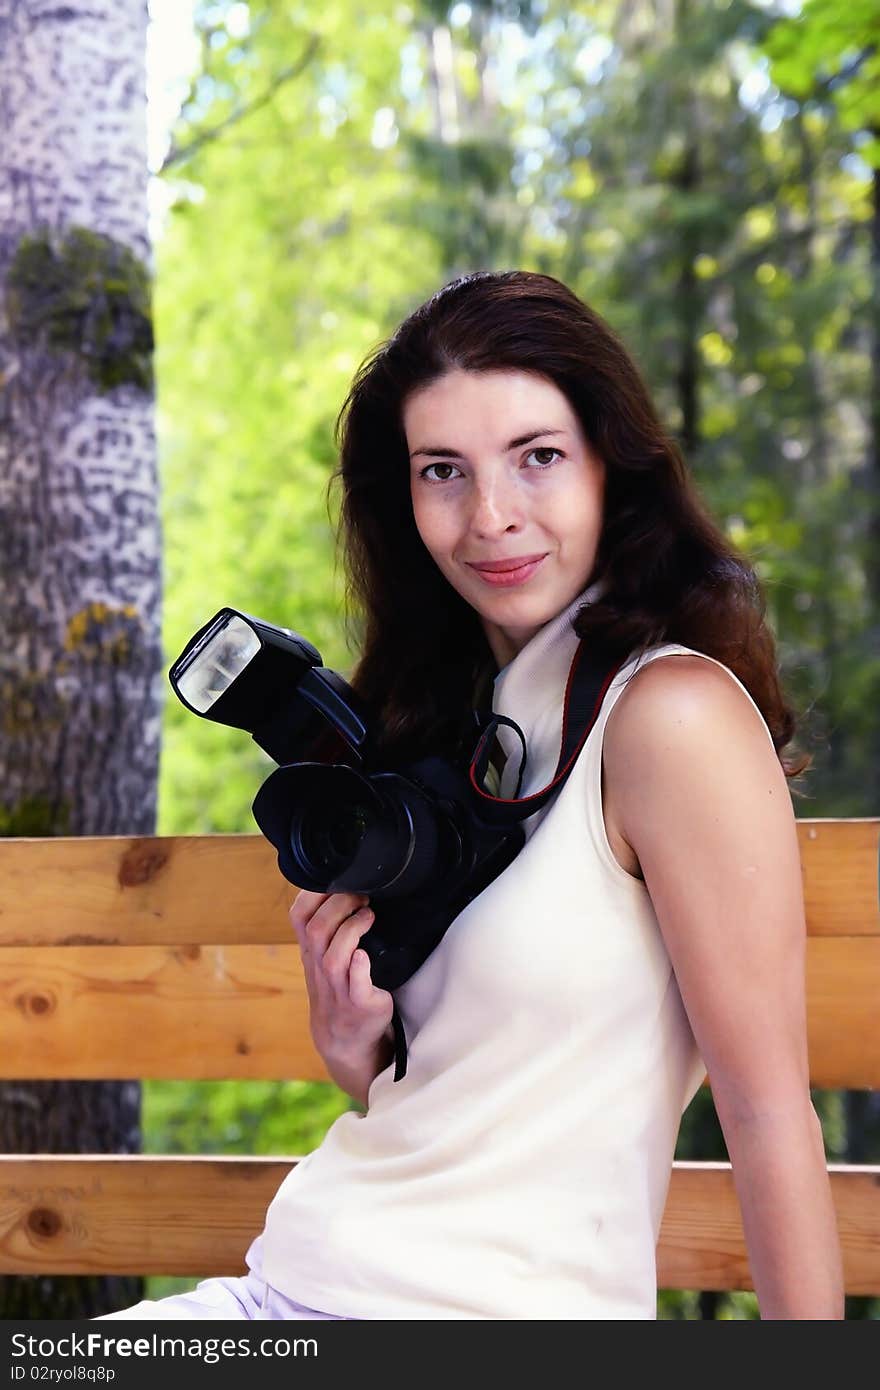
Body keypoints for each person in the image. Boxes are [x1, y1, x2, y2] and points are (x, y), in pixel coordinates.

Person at [99, 269, 844, 1320]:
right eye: (442, 470)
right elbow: (472, 1119)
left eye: (535, 456)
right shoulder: (462, 726)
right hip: (291, 1291)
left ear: (608, 469)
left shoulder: (668, 715)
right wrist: (356, 1050)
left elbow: (768, 1111)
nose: (489, 517)